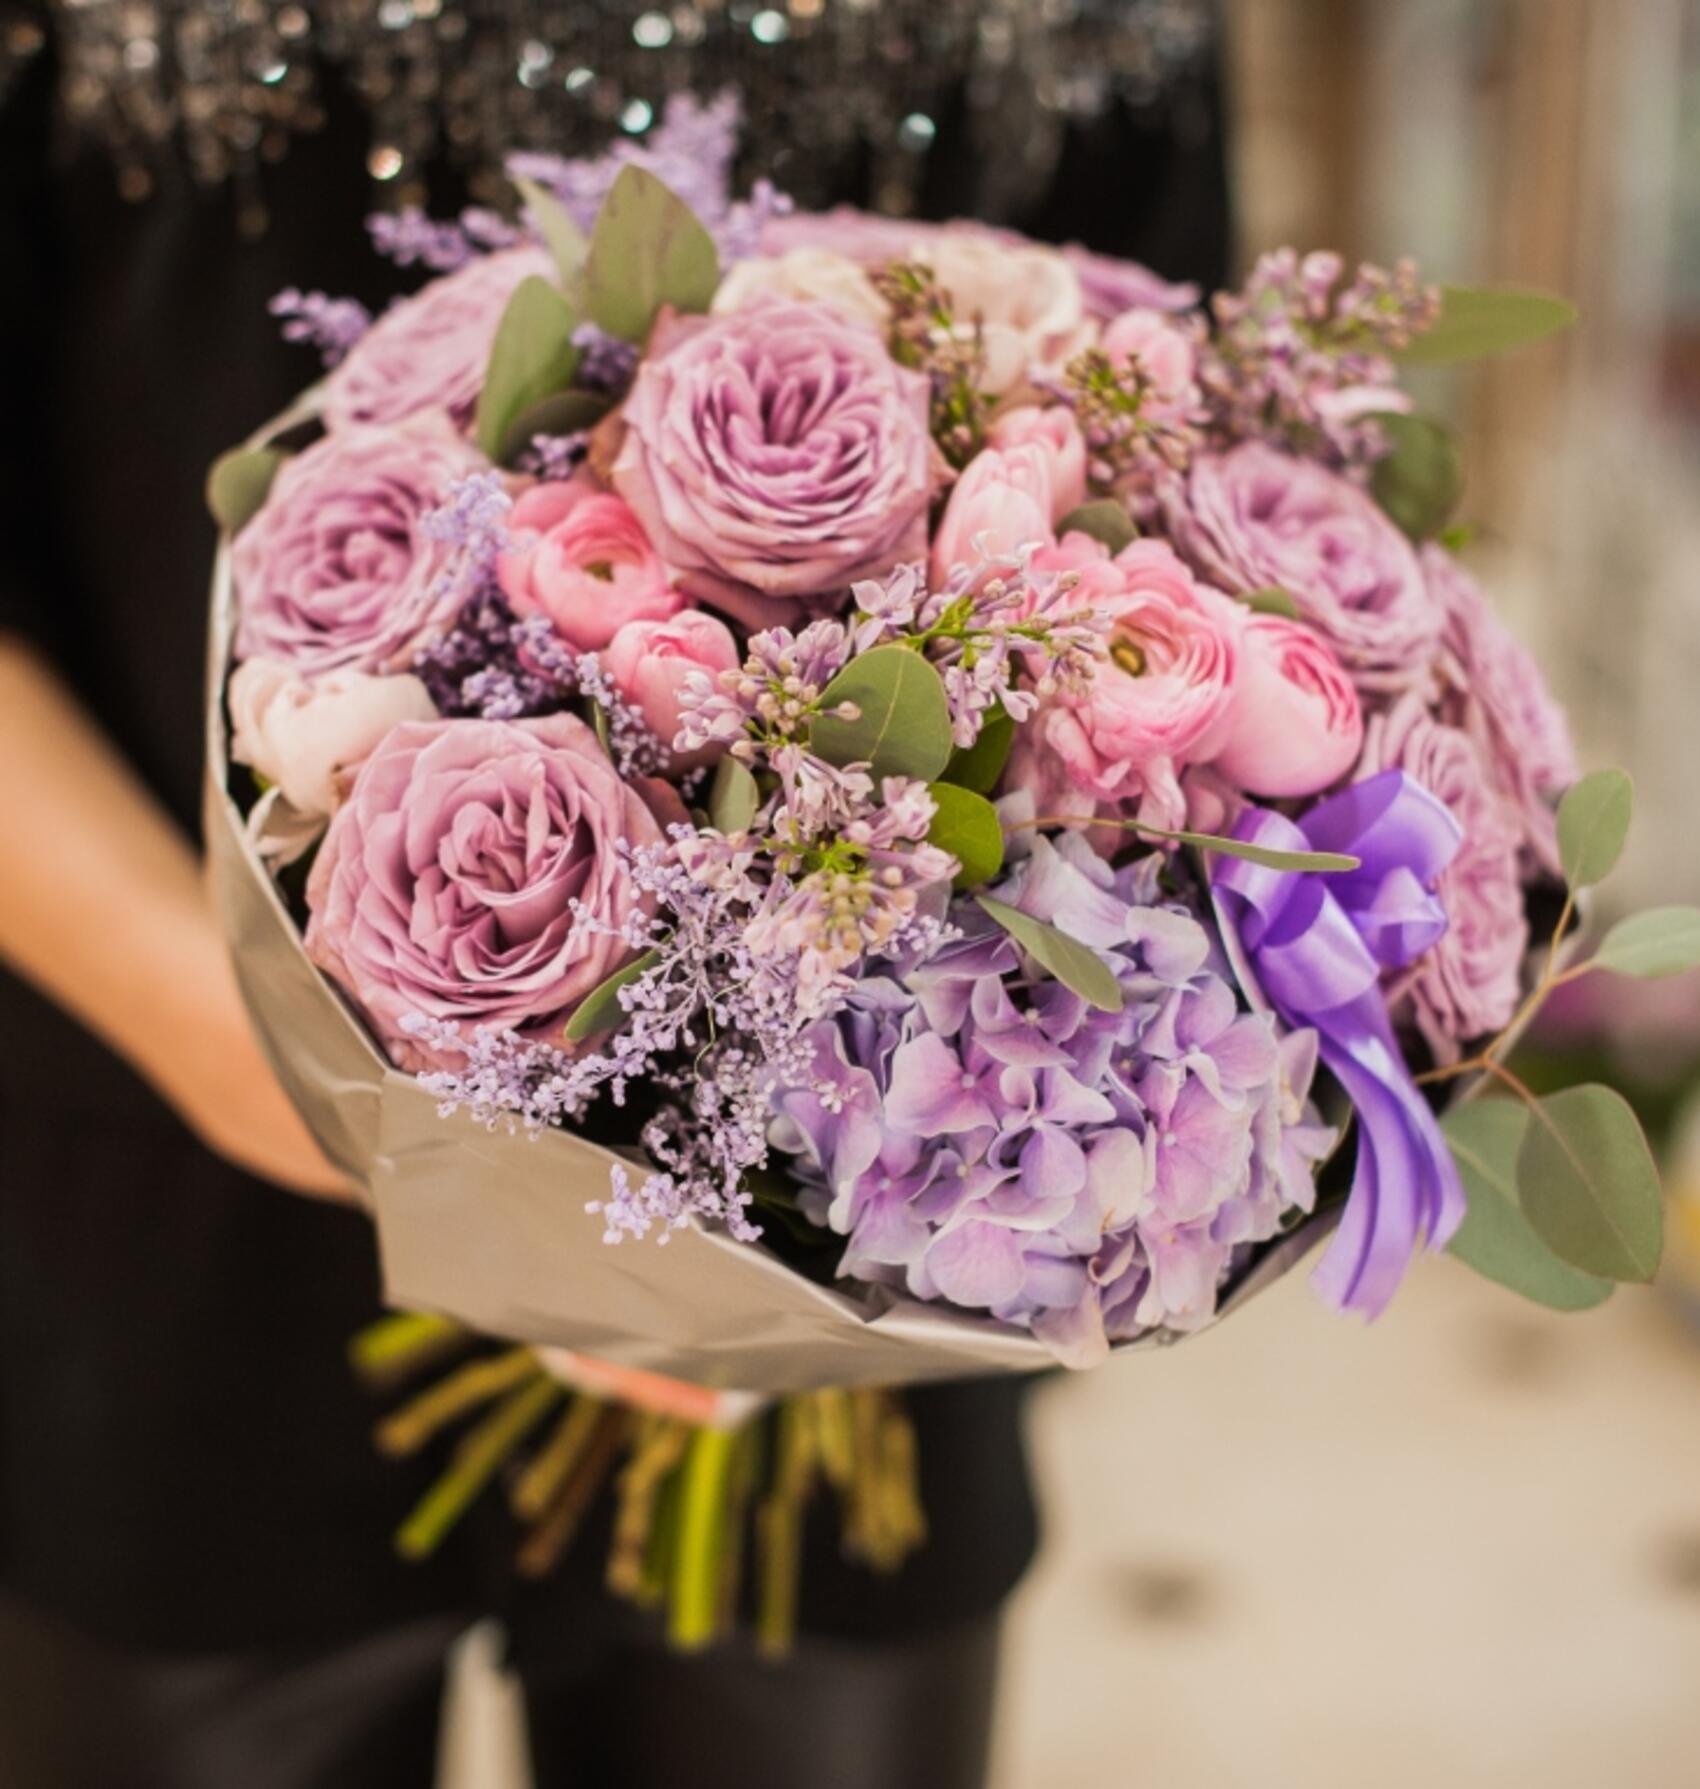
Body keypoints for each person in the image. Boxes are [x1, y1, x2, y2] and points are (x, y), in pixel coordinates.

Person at [0, 5, 1229, 1784]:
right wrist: (397, 1127)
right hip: (171, 1205)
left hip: (835, 1211)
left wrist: (790, 1201)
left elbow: (1176, 451)